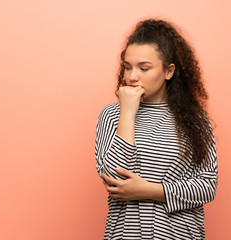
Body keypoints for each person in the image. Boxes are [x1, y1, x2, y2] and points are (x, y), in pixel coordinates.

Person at [95, 18, 218, 239]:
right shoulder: (112, 115)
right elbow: (114, 180)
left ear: (168, 71)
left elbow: (207, 186)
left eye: (144, 68)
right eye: (127, 67)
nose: (132, 77)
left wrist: (148, 191)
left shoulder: (194, 120)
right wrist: (128, 112)